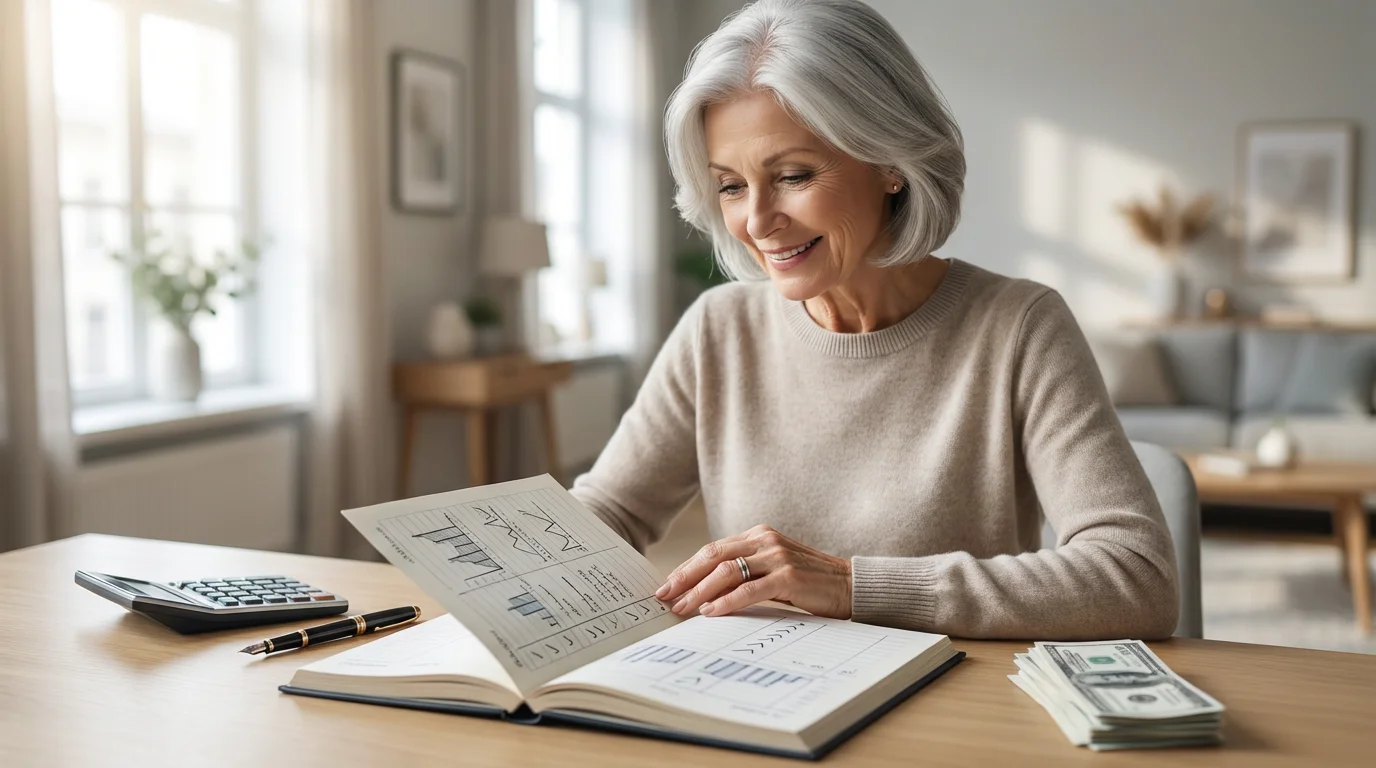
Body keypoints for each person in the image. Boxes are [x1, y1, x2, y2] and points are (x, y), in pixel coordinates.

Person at [570, 0, 1179, 639]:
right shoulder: (718, 330)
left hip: (952, 714)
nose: (755, 220)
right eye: (730, 186)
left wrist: (851, 586)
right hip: (762, 700)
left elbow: (1136, 579)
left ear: (890, 162)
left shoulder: (1019, 327)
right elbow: (605, 513)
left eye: (793, 175)